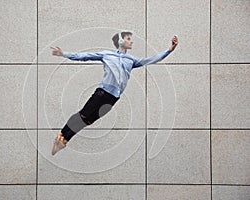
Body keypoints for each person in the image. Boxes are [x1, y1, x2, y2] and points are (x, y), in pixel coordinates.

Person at [50, 31, 178, 155]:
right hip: (102, 92)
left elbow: (151, 60)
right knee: (83, 115)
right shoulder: (107, 55)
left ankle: (62, 139)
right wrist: (64, 54)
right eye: (128, 39)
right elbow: (84, 56)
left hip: (113, 98)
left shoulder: (131, 60)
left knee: (89, 121)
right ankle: (62, 138)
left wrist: (169, 50)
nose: (131, 41)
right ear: (120, 41)